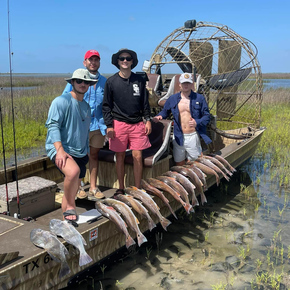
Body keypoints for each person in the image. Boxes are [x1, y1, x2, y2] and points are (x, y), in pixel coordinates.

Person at [45, 68, 97, 227]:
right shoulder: (60, 101)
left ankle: (66, 215)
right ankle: (70, 208)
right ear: (72, 82)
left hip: (80, 151)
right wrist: (60, 150)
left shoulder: (87, 107)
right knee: (73, 172)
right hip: (61, 148)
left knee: (75, 183)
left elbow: (84, 130)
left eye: (86, 82)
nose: (83, 84)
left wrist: (86, 152)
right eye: (79, 81)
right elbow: (52, 126)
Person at [102, 48, 152, 193]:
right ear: (117, 61)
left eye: (128, 58)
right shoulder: (111, 82)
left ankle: (137, 188)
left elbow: (145, 103)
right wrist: (109, 126)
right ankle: (121, 188)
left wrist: (147, 120)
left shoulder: (140, 80)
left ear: (132, 62)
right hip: (119, 124)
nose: (125, 61)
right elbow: (106, 106)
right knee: (120, 155)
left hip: (137, 123)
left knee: (137, 156)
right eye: (122, 58)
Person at [63, 50, 107, 199]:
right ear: (85, 62)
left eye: (96, 60)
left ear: (99, 63)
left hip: (98, 125)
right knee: (78, 155)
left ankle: (93, 187)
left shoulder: (104, 82)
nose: (93, 63)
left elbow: (107, 104)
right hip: (80, 126)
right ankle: (78, 187)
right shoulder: (77, 79)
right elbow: (65, 99)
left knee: (94, 155)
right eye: (90, 60)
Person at [153, 73, 211, 166]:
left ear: (192, 84)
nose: (186, 85)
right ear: (179, 84)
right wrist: (159, 116)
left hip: (192, 135)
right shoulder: (173, 98)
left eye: (188, 83)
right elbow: (165, 111)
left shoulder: (199, 98)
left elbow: (207, 116)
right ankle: (182, 179)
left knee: (195, 163)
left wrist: (197, 122)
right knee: (179, 162)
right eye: (184, 83)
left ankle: (194, 179)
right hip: (178, 135)